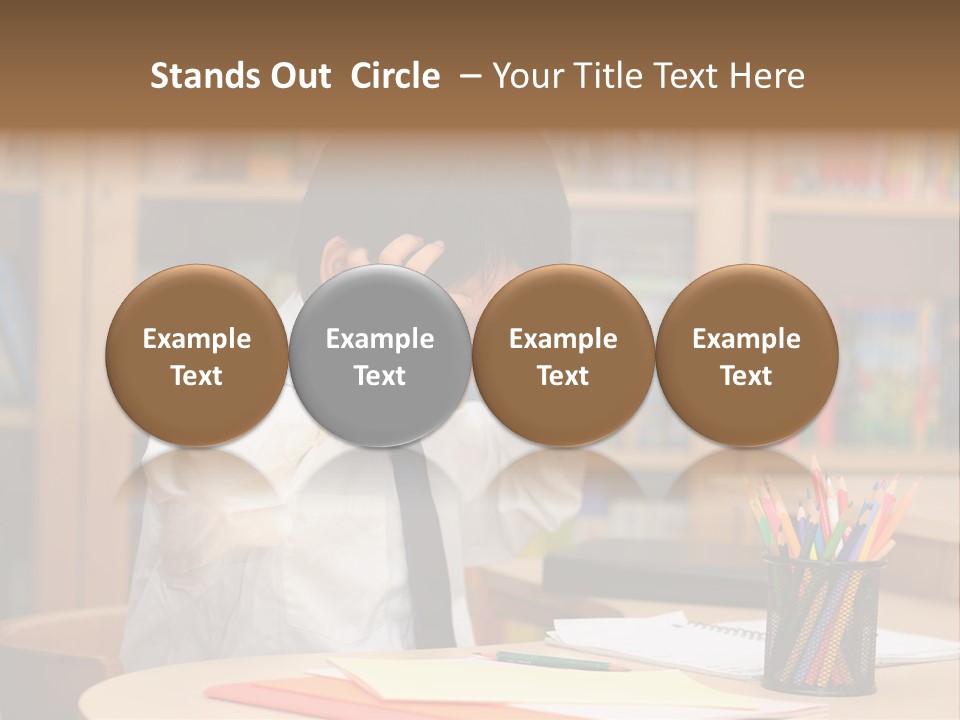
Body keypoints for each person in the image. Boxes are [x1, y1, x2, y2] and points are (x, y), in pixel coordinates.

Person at [120, 132, 582, 670]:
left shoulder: (435, 415)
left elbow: (530, 502)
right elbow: (200, 515)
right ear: (344, 270)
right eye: (452, 329)